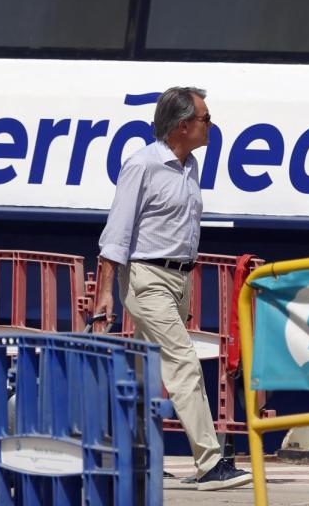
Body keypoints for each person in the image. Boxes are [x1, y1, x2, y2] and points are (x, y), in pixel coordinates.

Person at [94, 86, 252, 491]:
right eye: (205, 118)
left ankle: (118, 453)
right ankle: (210, 462)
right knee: (183, 363)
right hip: (147, 279)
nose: (211, 125)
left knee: (147, 375)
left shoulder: (190, 166)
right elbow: (117, 233)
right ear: (183, 125)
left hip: (178, 280)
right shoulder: (142, 166)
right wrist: (106, 293)